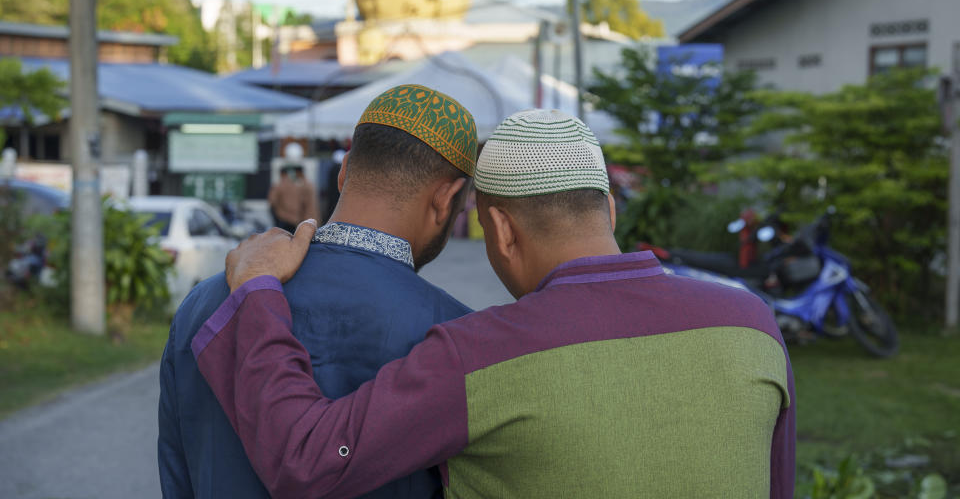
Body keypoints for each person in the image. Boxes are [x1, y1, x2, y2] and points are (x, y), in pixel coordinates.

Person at [193, 109, 797, 498]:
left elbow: (307, 458)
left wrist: (259, 293)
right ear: (609, 210)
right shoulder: (754, 327)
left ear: (501, 231)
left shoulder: (479, 353)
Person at [158, 84, 479, 498]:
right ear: (447, 199)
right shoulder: (459, 338)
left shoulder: (208, 301)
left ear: (345, 172)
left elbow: (178, 474)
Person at [268, 155, 319, 234]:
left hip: (284, 218)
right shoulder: (300, 185)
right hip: (300, 219)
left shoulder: (279, 185)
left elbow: (272, 201)